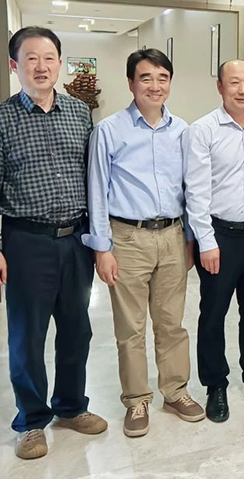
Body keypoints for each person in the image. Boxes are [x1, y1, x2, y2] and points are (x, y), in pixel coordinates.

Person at [0, 26, 107, 460]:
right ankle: (30, 420)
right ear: (15, 65)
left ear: (60, 63)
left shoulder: (79, 113)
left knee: (77, 329)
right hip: (26, 241)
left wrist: (100, 239)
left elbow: (93, 179)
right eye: (31, 58)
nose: (41, 66)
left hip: (76, 240)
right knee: (28, 335)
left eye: (49, 58)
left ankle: (71, 406)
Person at [85, 48, 205, 438]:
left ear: (170, 83)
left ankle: (176, 391)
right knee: (131, 328)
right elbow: (97, 191)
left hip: (172, 236)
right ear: (131, 83)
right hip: (127, 238)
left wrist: (190, 239)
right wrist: (102, 248)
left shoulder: (182, 130)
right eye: (146, 78)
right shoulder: (109, 130)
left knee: (172, 324)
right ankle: (137, 399)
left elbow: (190, 189)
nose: (155, 85)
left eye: (162, 78)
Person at [185, 59, 244, 423]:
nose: (243, 89)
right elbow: (196, 191)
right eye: (235, 82)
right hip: (219, 236)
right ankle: (215, 385)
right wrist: (206, 241)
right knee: (213, 315)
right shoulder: (203, 130)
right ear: (220, 87)